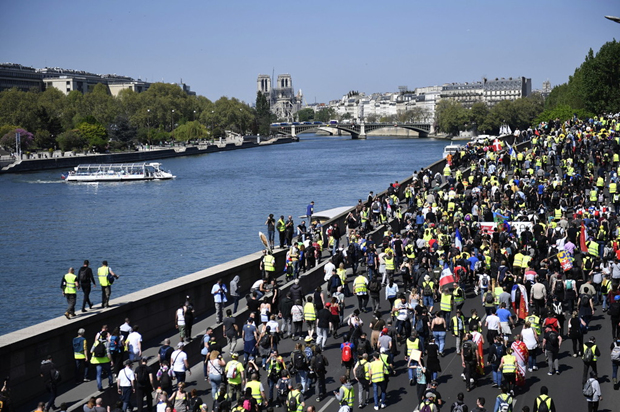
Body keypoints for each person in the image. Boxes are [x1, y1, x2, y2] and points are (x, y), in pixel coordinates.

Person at [91, 326, 113, 391]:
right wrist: (111, 360)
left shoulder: (96, 342)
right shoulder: (107, 343)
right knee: (109, 372)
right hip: (105, 361)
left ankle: (100, 387)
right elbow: (108, 353)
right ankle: (111, 383)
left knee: (98, 375)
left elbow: (91, 351)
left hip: (97, 361)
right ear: (106, 336)